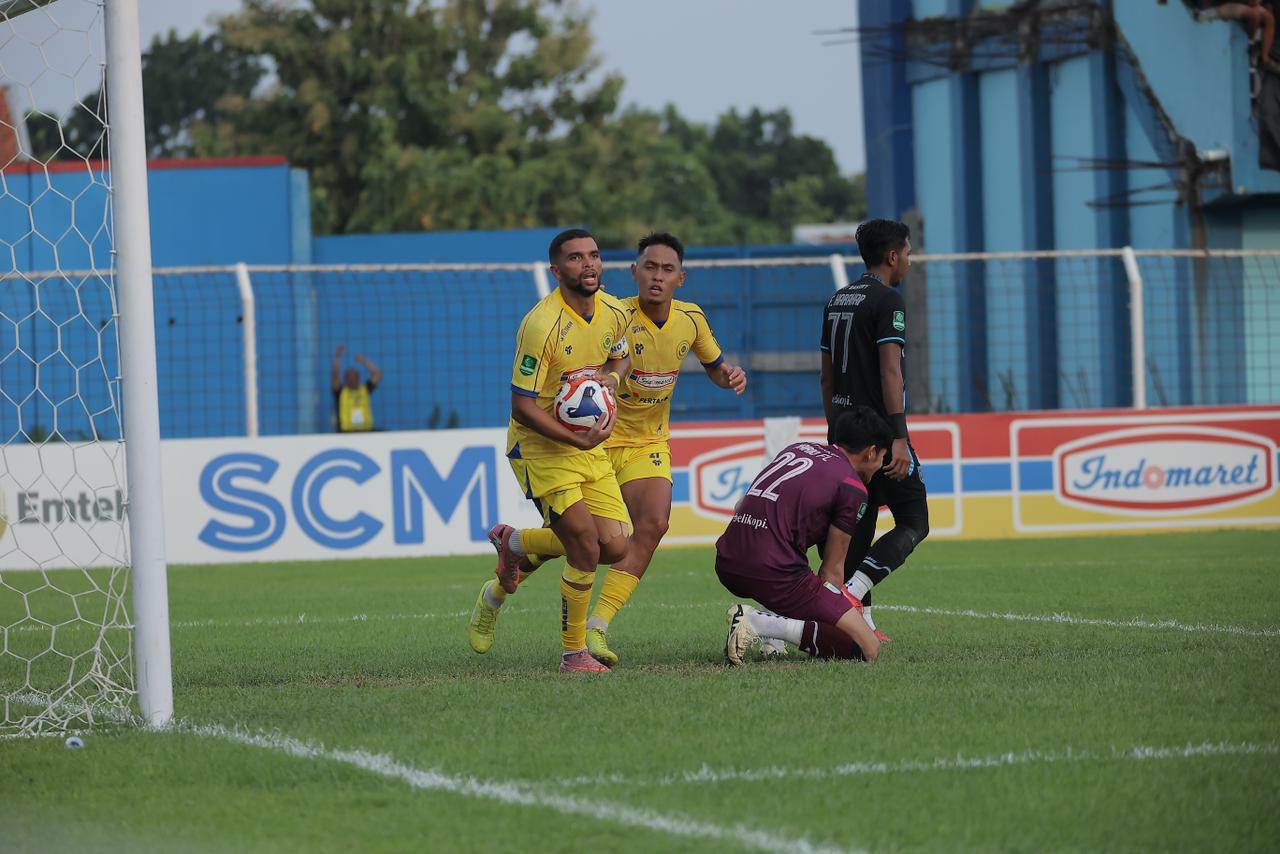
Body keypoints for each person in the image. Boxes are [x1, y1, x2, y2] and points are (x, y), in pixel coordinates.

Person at [477, 232, 748, 668]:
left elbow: (711, 366)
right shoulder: (592, 315)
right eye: (650, 267)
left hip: (639, 442)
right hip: (582, 442)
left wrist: (727, 375)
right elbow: (527, 401)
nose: (657, 276)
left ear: (681, 277)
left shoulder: (681, 319)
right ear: (634, 272)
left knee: (637, 532)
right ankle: (563, 637)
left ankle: (588, 618)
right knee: (585, 542)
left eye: (667, 269)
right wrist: (582, 423)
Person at [466, 228, 633, 674]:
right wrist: (576, 438)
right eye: (576, 258)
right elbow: (521, 407)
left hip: (586, 446)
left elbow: (620, 357)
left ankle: (513, 544)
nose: (589, 264)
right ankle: (573, 654)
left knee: (615, 546)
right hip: (539, 448)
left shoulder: (615, 311)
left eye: (594, 255)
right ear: (556, 271)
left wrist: (611, 381)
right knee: (584, 546)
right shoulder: (541, 326)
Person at [819, 218, 928, 643]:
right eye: (908, 253)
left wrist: (835, 431)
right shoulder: (888, 300)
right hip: (878, 437)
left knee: (856, 530)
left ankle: (859, 624)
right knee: (914, 521)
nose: (910, 261)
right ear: (892, 256)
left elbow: (827, 377)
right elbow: (890, 371)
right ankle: (851, 593)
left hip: (844, 434)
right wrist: (898, 437)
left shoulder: (836, 300)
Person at [719, 406, 893, 666]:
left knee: (793, 561)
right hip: (771, 570)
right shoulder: (852, 487)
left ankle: (772, 633)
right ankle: (757, 623)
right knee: (866, 647)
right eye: (882, 458)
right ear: (871, 452)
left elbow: (740, 505)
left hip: (727, 559)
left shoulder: (798, 448)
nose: (879, 466)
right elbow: (832, 571)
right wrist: (833, 614)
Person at [331, 344, 382, 432]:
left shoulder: (365, 389)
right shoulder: (340, 391)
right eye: (349, 377)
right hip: (346, 433)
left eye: (354, 377)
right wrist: (337, 356)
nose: (352, 379)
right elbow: (335, 375)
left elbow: (377, 374)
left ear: (358, 378)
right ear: (345, 379)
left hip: (366, 431)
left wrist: (364, 361)